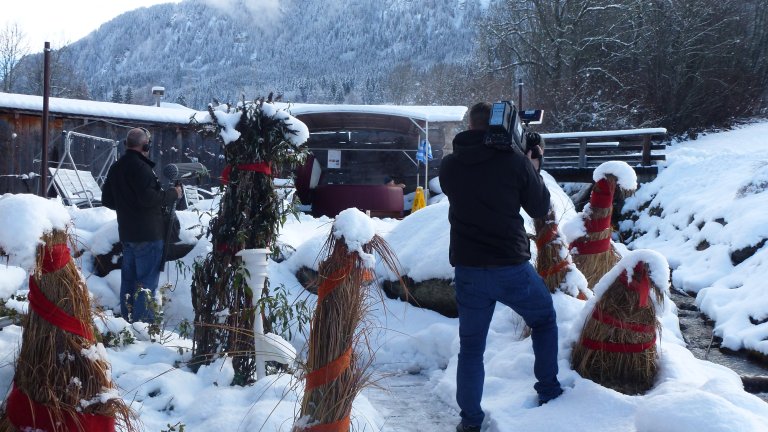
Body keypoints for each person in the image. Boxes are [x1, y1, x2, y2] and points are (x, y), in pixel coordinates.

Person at [439, 102, 563, 432]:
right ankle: (549, 390)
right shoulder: (514, 162)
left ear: (469, 125)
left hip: (469, 270)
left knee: (471, 350)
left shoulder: (449, 166)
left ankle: (470, 422)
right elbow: (539, 206)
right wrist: (530, 164)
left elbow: (475, 182)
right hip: (511, 268)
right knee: (544, 319)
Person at [102, 127, 181, 323]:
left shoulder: (116, 167)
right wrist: (173, 194)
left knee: (128, 281)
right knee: (146, 283)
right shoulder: (142, 169)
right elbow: (149, 199)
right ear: (146, 145)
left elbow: (107, 200)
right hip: (149, 235)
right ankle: (142, 328)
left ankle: (127, 323)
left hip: (127, 234)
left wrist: (127, 206)